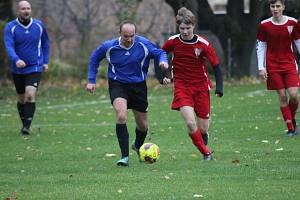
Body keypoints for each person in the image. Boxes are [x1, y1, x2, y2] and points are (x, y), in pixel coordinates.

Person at [86, 20, 168, 166]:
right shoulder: (109, 46)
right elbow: (94, 58)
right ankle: (124, 157)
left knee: (143, 125)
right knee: (121, 115)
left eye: (132, 36)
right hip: (118, 85)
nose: (129, 39)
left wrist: (163, 62)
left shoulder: (143, 44)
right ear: (119, 34)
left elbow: (160, 52)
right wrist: (91, 80)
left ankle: (137, 145)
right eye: (126, 36)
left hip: (138, 86)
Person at [161, 7, 223, 161]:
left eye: (188, 28)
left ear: (193, 26)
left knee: (202, 128)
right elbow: (160, 55)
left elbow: (216, 66)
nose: (185, 31)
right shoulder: (172, 42)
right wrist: (165, 75)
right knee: (190, 122)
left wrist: (219, 87)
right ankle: (206, 153)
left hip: (201, 87)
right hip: (182, 86)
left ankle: (203, 139)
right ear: (178, 27)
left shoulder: (203, 44)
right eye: (182, 28)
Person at [4, 0, 50, 135]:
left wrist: (45, 61)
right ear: (18, 11)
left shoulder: (39, 25)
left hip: (35, 66)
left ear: (31, 10)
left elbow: (46, 44)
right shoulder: (10, 27)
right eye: (23, 9)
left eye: (28, 8)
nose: (26, 11)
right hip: (17, 68)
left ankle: (26, 127)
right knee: (21, 98)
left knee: (30, 95)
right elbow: (9, 46)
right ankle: (25, 124)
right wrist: (16, 59)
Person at [256, 0, 300, 136]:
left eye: (278, 6)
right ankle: (290, 128)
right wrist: (261, 67)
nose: (275, 9)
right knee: (282, 96)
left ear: (283, 7)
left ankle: (292, 119)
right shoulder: (264, 25)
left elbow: (298, 41)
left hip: (289, 64)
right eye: (272, 6)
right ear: (270, 8)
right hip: (273, 66)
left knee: (294, 96)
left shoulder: (292, 23)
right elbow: (261, 45)